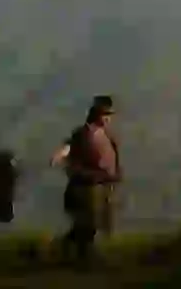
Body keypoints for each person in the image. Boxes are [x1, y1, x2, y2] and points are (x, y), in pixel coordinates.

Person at [50, 94, 120, 266]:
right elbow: (68, 147)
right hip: (86, 186)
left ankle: (69, 249)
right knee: (88, 223)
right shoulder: (83, 133)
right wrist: (59, 156)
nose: (108, 119)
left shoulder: (106, 136)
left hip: (103, 184)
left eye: (109, 115)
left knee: (93, 223)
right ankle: (84, 256)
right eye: (105, 115)